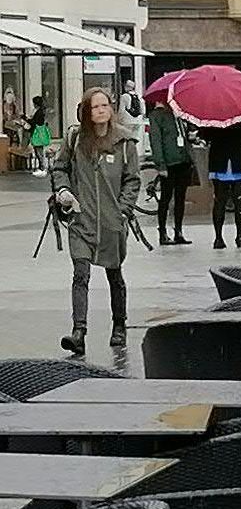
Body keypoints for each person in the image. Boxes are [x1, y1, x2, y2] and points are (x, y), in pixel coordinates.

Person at [50, 87, 140, 355]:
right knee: (80, 274)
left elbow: (132, 180)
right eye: (95, 107)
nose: (101, 110)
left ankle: (119, 325)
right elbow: (60, 167)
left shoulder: (125, 142)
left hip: (112, 223)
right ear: (86, 112)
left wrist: (123, 211)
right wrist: (63, 191)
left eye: (105, 105)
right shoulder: (76, 138)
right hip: (82, 219)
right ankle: (79, 331)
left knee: (114, 274)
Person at [146, 96, 195, 244]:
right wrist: (160, 164)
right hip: (169, 162)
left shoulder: (179, 115)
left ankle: (178, 231)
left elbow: (183, 136)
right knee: (165, 198)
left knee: (180, 198)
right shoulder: (157, 116)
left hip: (183, 161)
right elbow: (156, 141)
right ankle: (162, 232)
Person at [205, 117, 241, 249]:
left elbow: (206, 136)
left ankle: (218, 238)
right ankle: (239, 237)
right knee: (240, 201)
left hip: (219, 161)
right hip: (240, 161)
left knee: (220, 201)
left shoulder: (213, 115)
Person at [27, 94, 51, 173]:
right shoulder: (41, 111)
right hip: (41, 132)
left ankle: (42, 166)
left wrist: (26, 119)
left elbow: (34, 122)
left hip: (37, 133)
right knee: (39, 150)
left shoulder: (38, 112)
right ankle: (42, 166)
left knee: (38, 150)